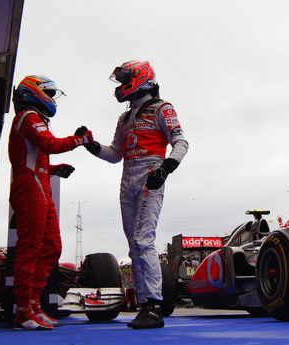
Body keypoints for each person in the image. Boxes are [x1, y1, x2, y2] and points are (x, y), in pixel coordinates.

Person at [80, 60, 188, 329]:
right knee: (133, 244)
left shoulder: (163, 108)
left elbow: (181, 142)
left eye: (124, 80)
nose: (120, 86)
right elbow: (115, 154)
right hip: (127, 177)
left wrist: (165, 168)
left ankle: (153, 306)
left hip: (151, 172)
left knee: (143, 239)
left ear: (140, 78)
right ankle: (144, 306)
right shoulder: (124, 118)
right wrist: (92, 146)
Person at [8, 75, 92, 330]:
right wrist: (80, 140)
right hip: (30, 186)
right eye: (50, 94)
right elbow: (49, 144)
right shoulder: (28, 117)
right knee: (30, 248)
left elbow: (37, 157)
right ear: (34, 92)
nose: (53, 99)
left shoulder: (34, 118)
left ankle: (33, 304)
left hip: (38, 183)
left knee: (52, 247)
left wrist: (54, 170)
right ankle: (22, 310)